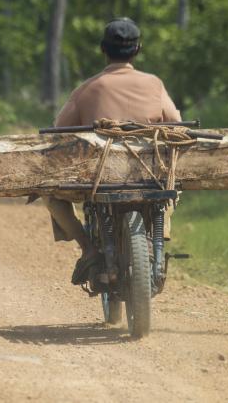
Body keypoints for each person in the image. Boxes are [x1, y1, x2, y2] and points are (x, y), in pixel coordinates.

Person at [46, 17, 182, 285]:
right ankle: (159, 231)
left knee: (50, 194)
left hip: (98, 180)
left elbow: (58, 131)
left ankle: (88, 249)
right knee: (172, 188)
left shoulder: (88, 88)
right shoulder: (154, 84)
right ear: (138, 49)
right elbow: (176, 125)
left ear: (102, 49)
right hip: (148, 176)